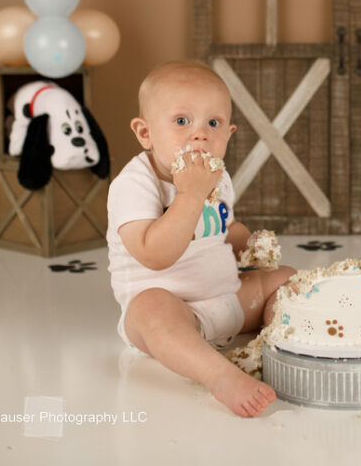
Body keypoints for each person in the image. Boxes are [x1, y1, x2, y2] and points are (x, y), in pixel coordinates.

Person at [106, 61, 295, 417]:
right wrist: (189, 196)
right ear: (145, 133)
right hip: (174, 313)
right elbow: (154, 254)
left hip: (226, 302)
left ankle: (278, 350)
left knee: (286, 279)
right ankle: (218, 375)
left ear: (229, 133)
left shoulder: (217, 177)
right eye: (181, 121)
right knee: (149, 309)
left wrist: (250, 246)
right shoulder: (135, 184)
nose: (200, 135)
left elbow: (227, 228)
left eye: (213, 123)